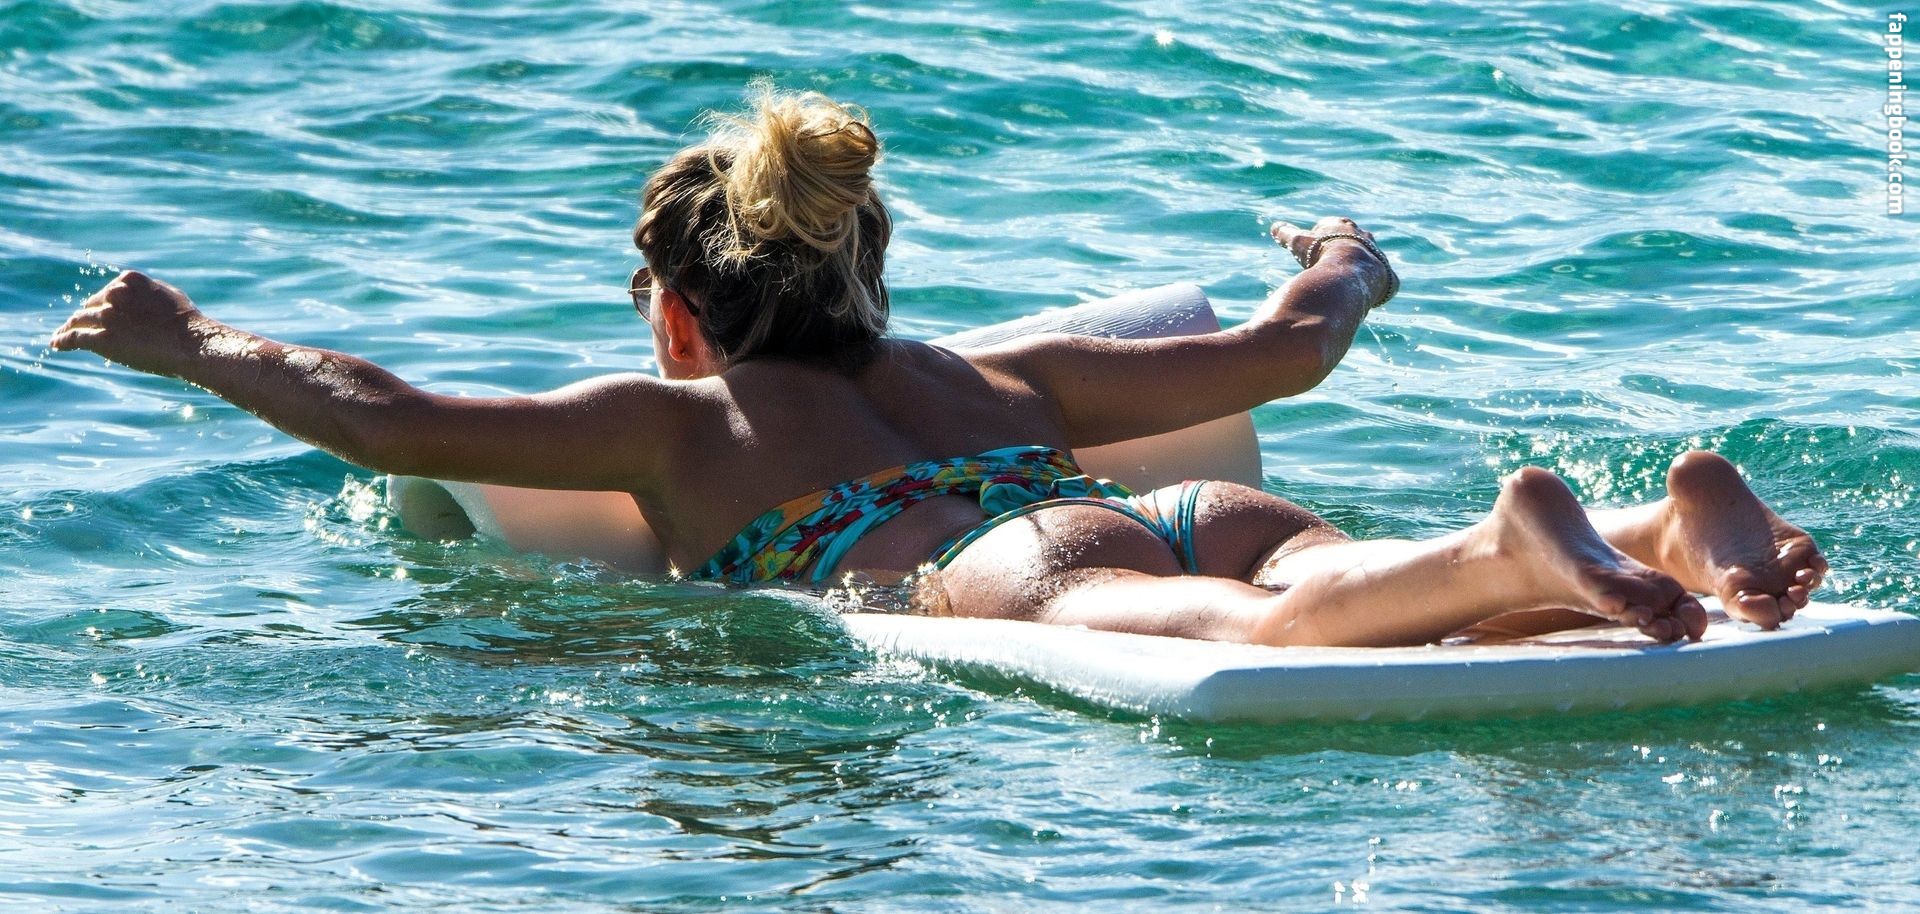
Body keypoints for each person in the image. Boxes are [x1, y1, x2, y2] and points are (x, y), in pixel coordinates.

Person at [48, 86, 1827, 647]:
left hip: (992, 571)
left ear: (679, 311)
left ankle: (1524, 545)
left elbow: (383, 413)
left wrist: (186, 337)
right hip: (1159, 501)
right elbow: (1291, 350)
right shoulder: (1008, 376)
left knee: (1257, 635)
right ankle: (1645, 534)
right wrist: (1351, 250)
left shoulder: (680, 425)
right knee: (1304, 573)